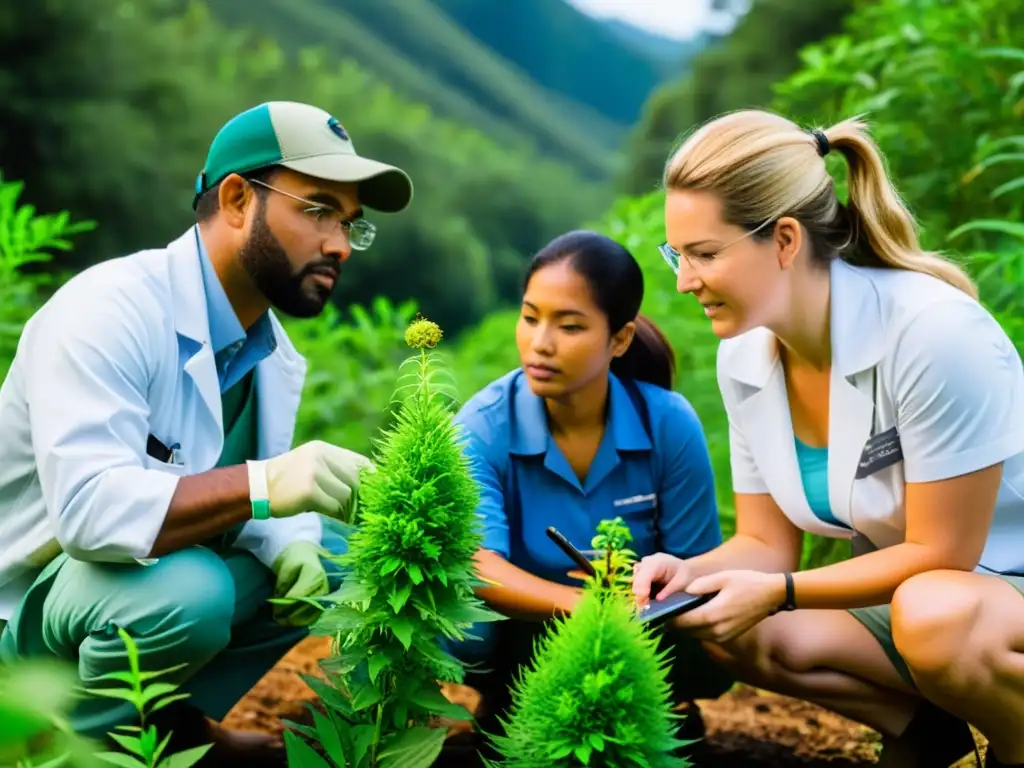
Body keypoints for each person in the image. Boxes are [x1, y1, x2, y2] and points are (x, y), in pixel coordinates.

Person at [0, 101, 414, 765]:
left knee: (334, 555)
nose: (338, 244)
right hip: (22, 615)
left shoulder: (268, 354)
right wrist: (266, 483)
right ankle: (47, 742)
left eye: (351, 225)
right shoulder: (108, 310)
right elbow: (87, 512)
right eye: (317, 210)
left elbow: (240, 501)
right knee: (190, 592)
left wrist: (288, 538)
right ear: (237, 199)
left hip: (108, 600)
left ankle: (169, 727)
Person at [631, 108, 1024, 768]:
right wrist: (690, 576)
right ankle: (926, 733)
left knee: (932, 616)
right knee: (720, 624)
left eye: (704, 254)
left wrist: (782, 590)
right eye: (679, 254)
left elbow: (941, 553)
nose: (684, 280)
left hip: (976, 593)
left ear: (784, 240)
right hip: (927, 604)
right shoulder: (747, 357)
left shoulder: (933, 333)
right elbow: (765, 543)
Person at [449, 230, 734, 746]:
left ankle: (660, 704)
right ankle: (507, 701)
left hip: (643, 634)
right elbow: (478, 569)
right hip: (523, 632)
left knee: (722, 638)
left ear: (619, 339)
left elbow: (700, 562)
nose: (540, 343)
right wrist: (590, 606)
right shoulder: (484, 426)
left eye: (570, 325)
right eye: (530, 317)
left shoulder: (667, 422)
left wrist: (639, 605)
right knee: (467, 630)